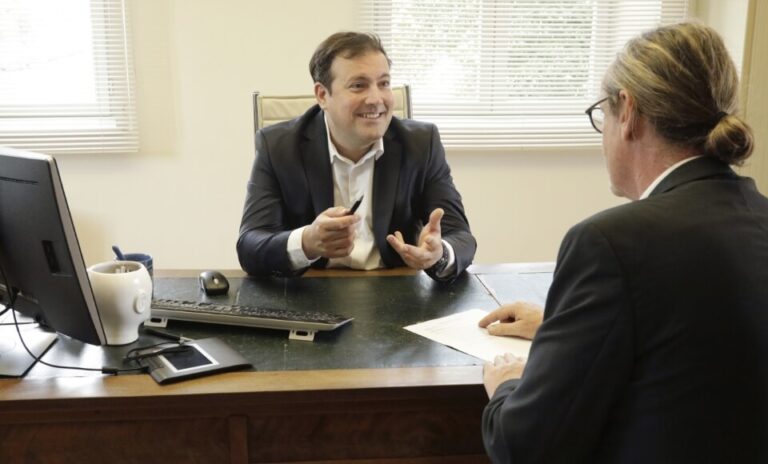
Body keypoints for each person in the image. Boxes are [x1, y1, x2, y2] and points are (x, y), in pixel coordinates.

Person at [479, 22, 768, 463]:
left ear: (629, 112)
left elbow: (524, 447)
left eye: (603, 113)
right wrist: (563, 327)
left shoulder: (609, 243)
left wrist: (508, 385)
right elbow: (698, 340)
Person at [237, 32, 476, 281]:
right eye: (358, 85)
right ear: (322, 95)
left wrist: (439, 256)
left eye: (383, 83)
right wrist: (307, 241)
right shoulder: (278, 146)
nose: (376, 99)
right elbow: (250, 244)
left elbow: (460, 237)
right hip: (310, 292)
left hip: (395, 287)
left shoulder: (421, 143)